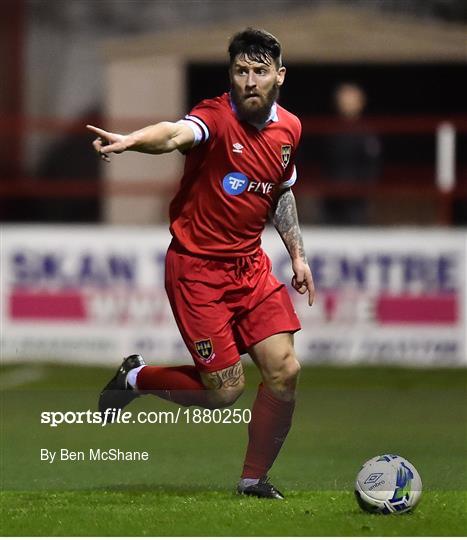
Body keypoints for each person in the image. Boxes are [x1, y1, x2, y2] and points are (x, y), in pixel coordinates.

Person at [87, 28, 314, 499]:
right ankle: (135, 377)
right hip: (197, 271)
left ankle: (253, 479)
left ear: (280, 76)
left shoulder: (289, 128)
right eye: (241, 71)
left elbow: (281, 190)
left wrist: (297, 254)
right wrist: (131, 140)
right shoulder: (213, 116)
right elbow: (173, 134)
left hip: (249, 267)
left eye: (260, 71)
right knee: (224, 392)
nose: (250, 81)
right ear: (231, 75)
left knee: (285, 370)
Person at [321, 82, 382, 225]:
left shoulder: (367, 133)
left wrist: (363, 189)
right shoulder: (329, 131)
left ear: (360, 103)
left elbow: (372, 166)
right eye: (343, 99)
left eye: (351, 99)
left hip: (357, 199)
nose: (346, 103)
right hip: (331, 198)